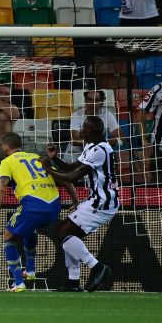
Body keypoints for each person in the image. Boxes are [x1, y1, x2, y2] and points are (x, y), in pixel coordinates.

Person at [0, 132, 77, 292]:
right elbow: (65, 179)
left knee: (8, 236)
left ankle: (19, 282)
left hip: (33, 205)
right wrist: (76, 201)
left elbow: (1, 189)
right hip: (55, 207)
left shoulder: (7, 161)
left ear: (5, 148)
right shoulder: (37, 157)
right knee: (29, 229)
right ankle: (31, 269)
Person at [40, 116, 119, 292]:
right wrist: (55, 159)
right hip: (96, 200)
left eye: (83, 128)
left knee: (63, 232)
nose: (80, 131)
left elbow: (72, 177)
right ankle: (73, 282)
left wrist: (47, 169)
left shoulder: (101, 149)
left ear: (89, 131)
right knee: (65, 232)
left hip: (102, 202)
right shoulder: (91, 146)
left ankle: (97, 268)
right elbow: (70, 168)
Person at [66, 90, 124, 161]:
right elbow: (74, 140)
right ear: (85, 101)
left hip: (96, 157)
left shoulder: (108, 115)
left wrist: (99, 143)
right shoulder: (76, 115)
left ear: (102, 102)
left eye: (96, 100)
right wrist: (103, 143)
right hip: (75, 157)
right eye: (89, 99)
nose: (92, 103)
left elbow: (122, 139)